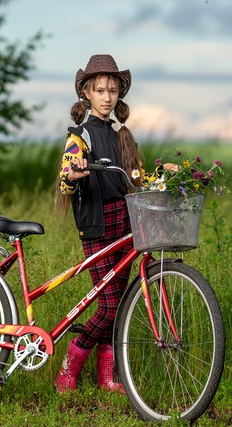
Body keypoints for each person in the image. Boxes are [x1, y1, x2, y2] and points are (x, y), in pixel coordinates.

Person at [54, 54, 143, 393]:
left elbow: (135, 178)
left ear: (120, 95)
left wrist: (161, 178)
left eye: (113, 91)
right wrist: (72, 175)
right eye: (100, 90)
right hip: (96, 223)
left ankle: (107, 376)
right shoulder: (80, 136)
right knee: (106, 305)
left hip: (125, 221)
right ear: (86, 94)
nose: (107, 97)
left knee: (118, 303)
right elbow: (65, 180)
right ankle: (70, 365)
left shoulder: (124, 136)